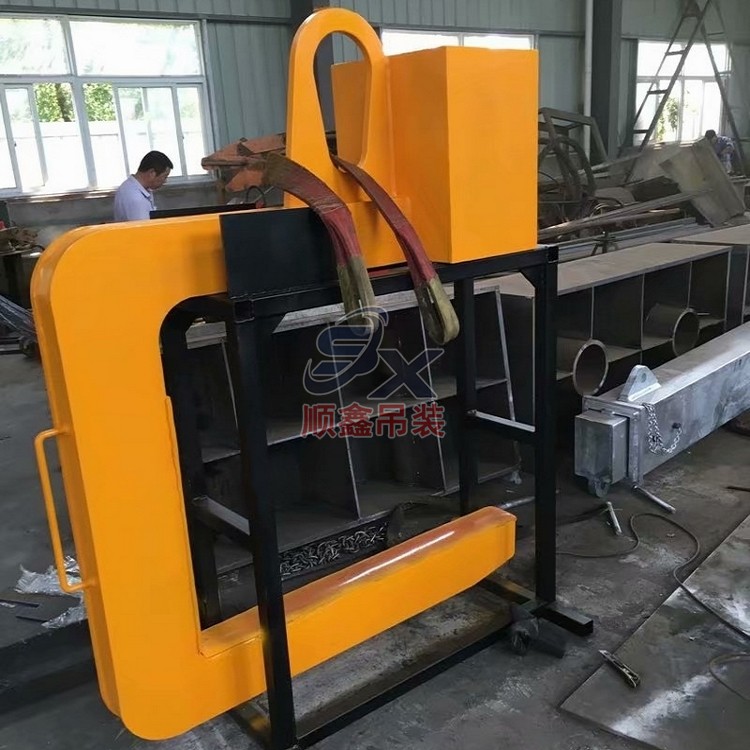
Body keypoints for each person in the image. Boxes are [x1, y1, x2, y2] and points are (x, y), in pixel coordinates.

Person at [113, 151, 173, 222]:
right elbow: (144, 228)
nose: (165, 181)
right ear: (152, 173)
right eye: (165, 176)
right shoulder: (136, 198)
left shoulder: (130, 187)